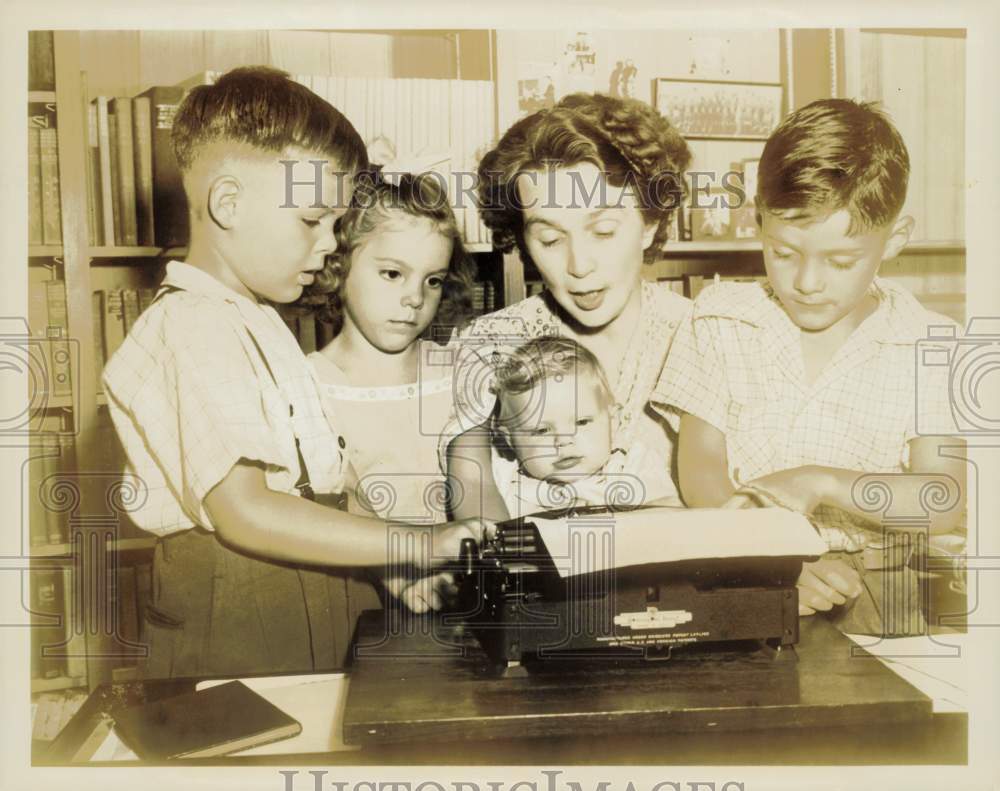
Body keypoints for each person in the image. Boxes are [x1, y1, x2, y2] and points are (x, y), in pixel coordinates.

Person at [102, 67, 487, 678]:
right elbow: (246, 510)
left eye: (336, 226)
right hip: (239, 610)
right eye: (312, 220)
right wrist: (413, 543)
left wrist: (381, 565)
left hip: (313, 593)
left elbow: (306, 491)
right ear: (227, 202)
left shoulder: (253, 322)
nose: (329, 244)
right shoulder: (191, 326)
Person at [654, 98, 965, 634]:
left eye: (841, 261)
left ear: (894, 240)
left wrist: (818, 481)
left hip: (886, 591)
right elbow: (700, 475)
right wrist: (775, 557)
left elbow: (944, 499)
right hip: (748, 576)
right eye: (783, 252)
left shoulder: (933, 344)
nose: (807, 282)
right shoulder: (720, 320)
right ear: (758, 223)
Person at [445, 92, 692, 523]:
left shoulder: (707, 336)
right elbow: (473, 494)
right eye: (551, 240)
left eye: (603, 230)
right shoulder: (489, 344)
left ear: (650, 224)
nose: (579, 266)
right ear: (522, 240)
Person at [305, 170, 476, 610]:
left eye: (432, 280)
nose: (415, 297)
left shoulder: (458, 371)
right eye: (392, 274)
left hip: (465, 595)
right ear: (339, 265)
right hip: (354, 602)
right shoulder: (307, 385)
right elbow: (335, 507)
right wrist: (394, 569)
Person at [488, 336, 682, 518]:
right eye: (541, 431)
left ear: (613, 421)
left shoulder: (633, 467)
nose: (563, 441)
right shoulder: (504, 483)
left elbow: (671, 518)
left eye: (581, 422)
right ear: (509, 439)